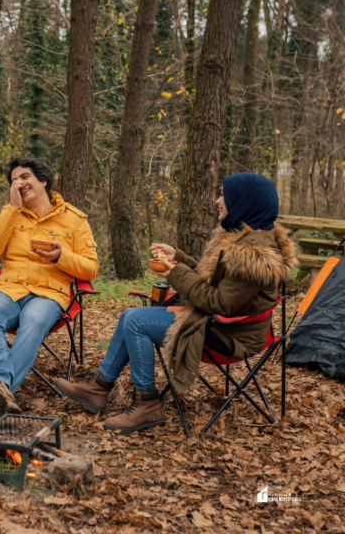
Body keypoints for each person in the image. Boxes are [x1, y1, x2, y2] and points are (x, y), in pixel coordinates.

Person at [54, 173, 298, 433]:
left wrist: (174, 273)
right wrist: (178, 258)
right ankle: (98, 389)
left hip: (228, 333)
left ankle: (147, 405)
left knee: (136, 321)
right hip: (220, 322)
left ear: (245, 202)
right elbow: (215, 281)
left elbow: (217, 302)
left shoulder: (252, 254)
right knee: (129, 315)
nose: (217, 200)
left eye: (224, 195)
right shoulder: (245, 240)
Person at [0, 157, 99, 427]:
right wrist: (11, 210)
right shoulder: (11, 214)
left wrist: (61, 257)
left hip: (50, 293)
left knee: (35, 320)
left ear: (43, 181)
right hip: (11, 288)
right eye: (15, 180)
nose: (20, 183)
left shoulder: (74, 220)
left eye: (25, 177)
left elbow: (90, 268)